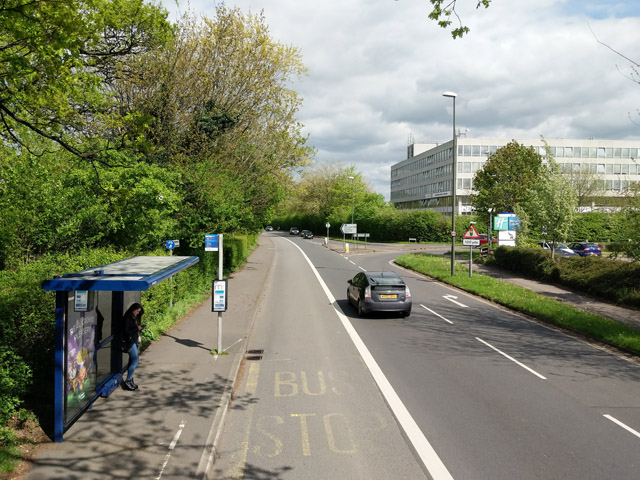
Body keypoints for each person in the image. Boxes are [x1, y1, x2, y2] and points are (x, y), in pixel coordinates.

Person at [121, 302, 145, 391]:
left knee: (132, 361)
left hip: (133, 342)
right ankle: (128, 380)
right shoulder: (128, 318)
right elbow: (126, 332)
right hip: (130, 343)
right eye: (137, 311)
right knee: (135, 361)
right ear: (133, 309)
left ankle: (130, 379)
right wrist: (137, 328)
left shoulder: (132, 317)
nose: (138, 313)